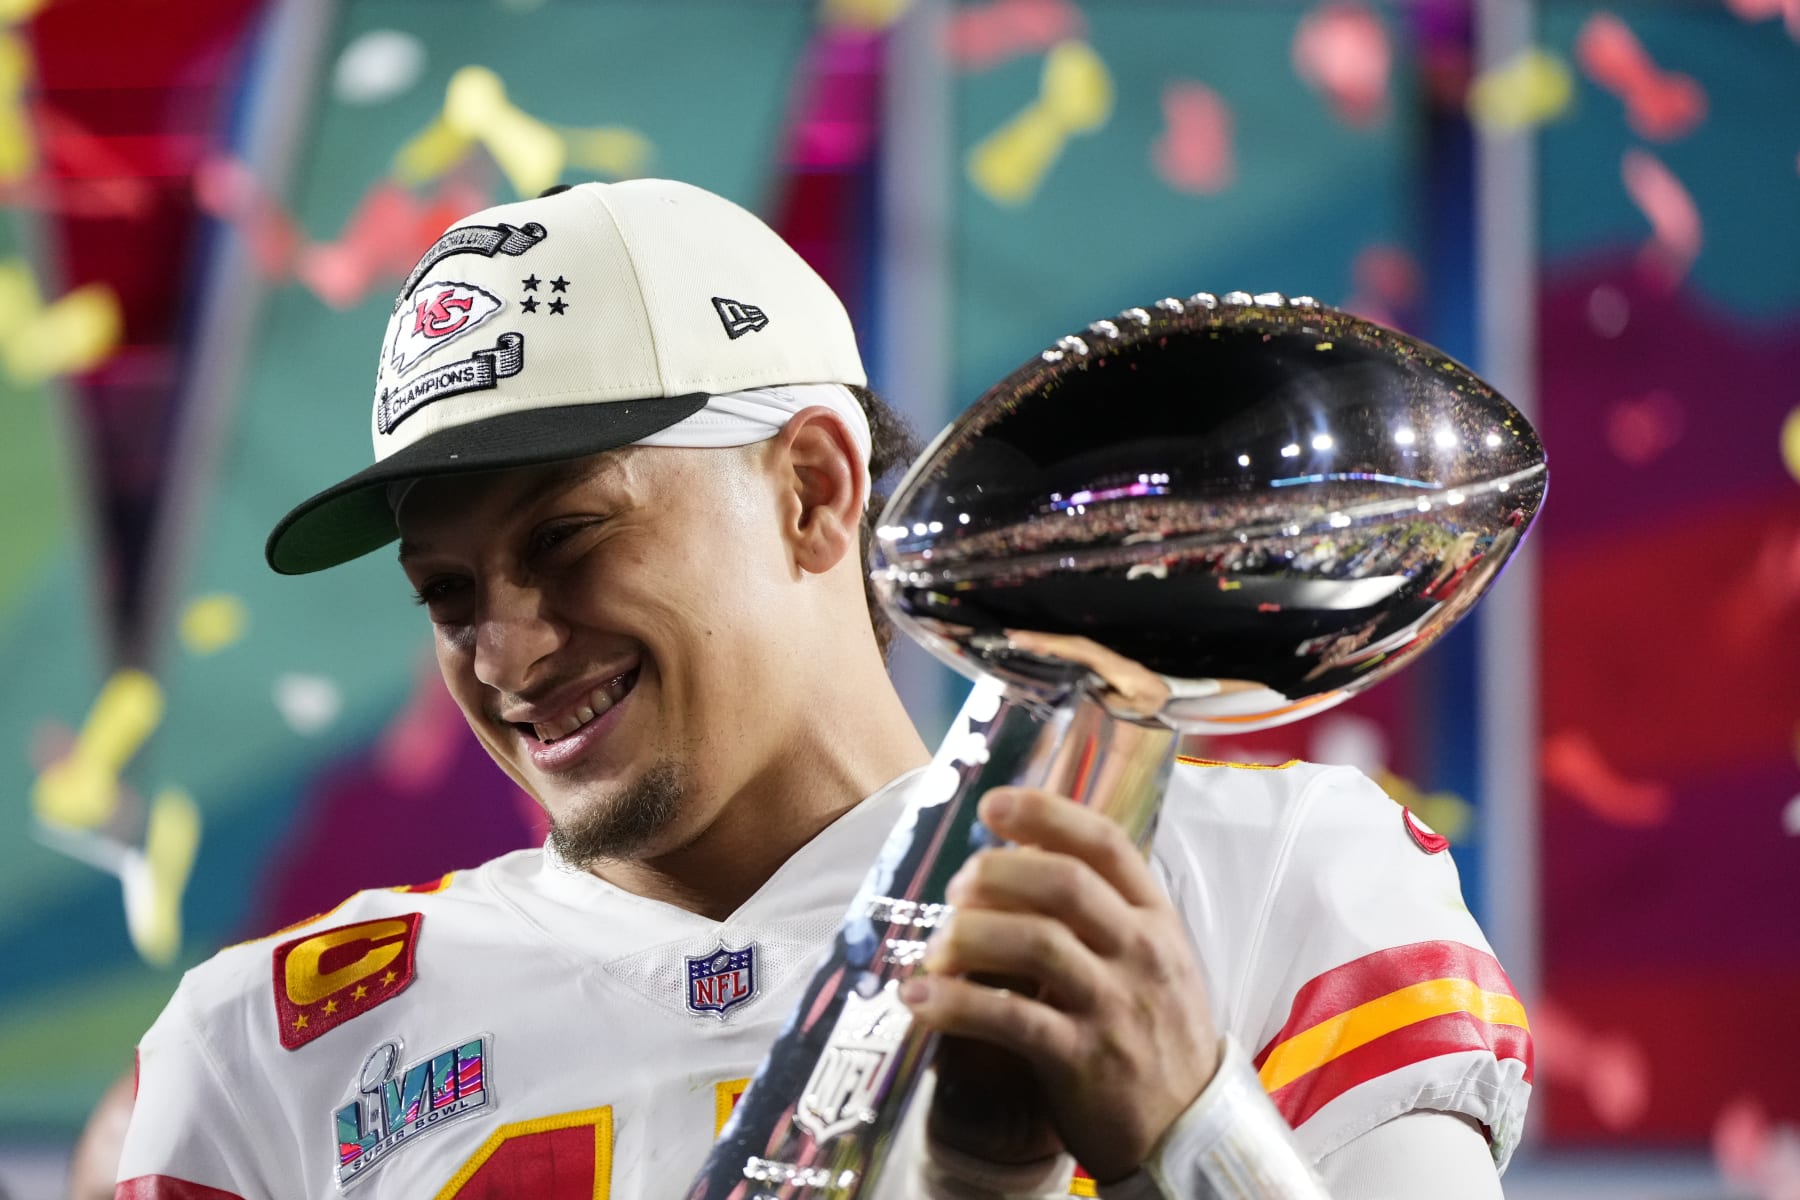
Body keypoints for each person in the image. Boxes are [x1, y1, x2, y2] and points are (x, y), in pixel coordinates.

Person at [113, 179, 1530, 1200]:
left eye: (567, 538)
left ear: (812, 489)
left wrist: (1189, 1122)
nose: (510, 648)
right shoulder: (272, 1046)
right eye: (450, 593)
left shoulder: (1266, 873)